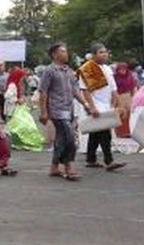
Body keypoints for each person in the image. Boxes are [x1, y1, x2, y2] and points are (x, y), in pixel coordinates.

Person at [77, 43, 125, 171]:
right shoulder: (86, 68)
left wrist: (118, 103)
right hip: (96, 103)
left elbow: (113, 87)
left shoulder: (108, 69)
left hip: (106, 103)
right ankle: (109, 161)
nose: (104, 54)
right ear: (93, 55)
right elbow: (85, 90)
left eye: (105, 52)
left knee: (96, 132)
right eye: (100, 52)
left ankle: (91, 159)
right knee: (104, 133)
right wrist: (91, 107)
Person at [38, 43, 82, 181]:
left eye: (66, 51)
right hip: (56, 110)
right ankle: (69, 166)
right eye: (62, 51)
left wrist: (86, 105)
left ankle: (55, 166)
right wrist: (44, 112)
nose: (66, 54)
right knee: (70, 138)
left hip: (68, 109)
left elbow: (75, 90)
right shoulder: (49, 70)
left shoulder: (68, 70)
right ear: (54, 54)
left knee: (61, 139)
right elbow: (43, 92)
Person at [112, 62, 137, 138]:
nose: (122, 71)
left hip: (127, 96)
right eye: (120, 69)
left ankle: (127, 132)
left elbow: (133, 86)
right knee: (120, 114)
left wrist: (133, 96)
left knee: (127, 114)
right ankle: (119, 132)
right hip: (118, 96)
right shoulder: (114, 77)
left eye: (124, 69)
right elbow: (112, 88)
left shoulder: (130, 76)